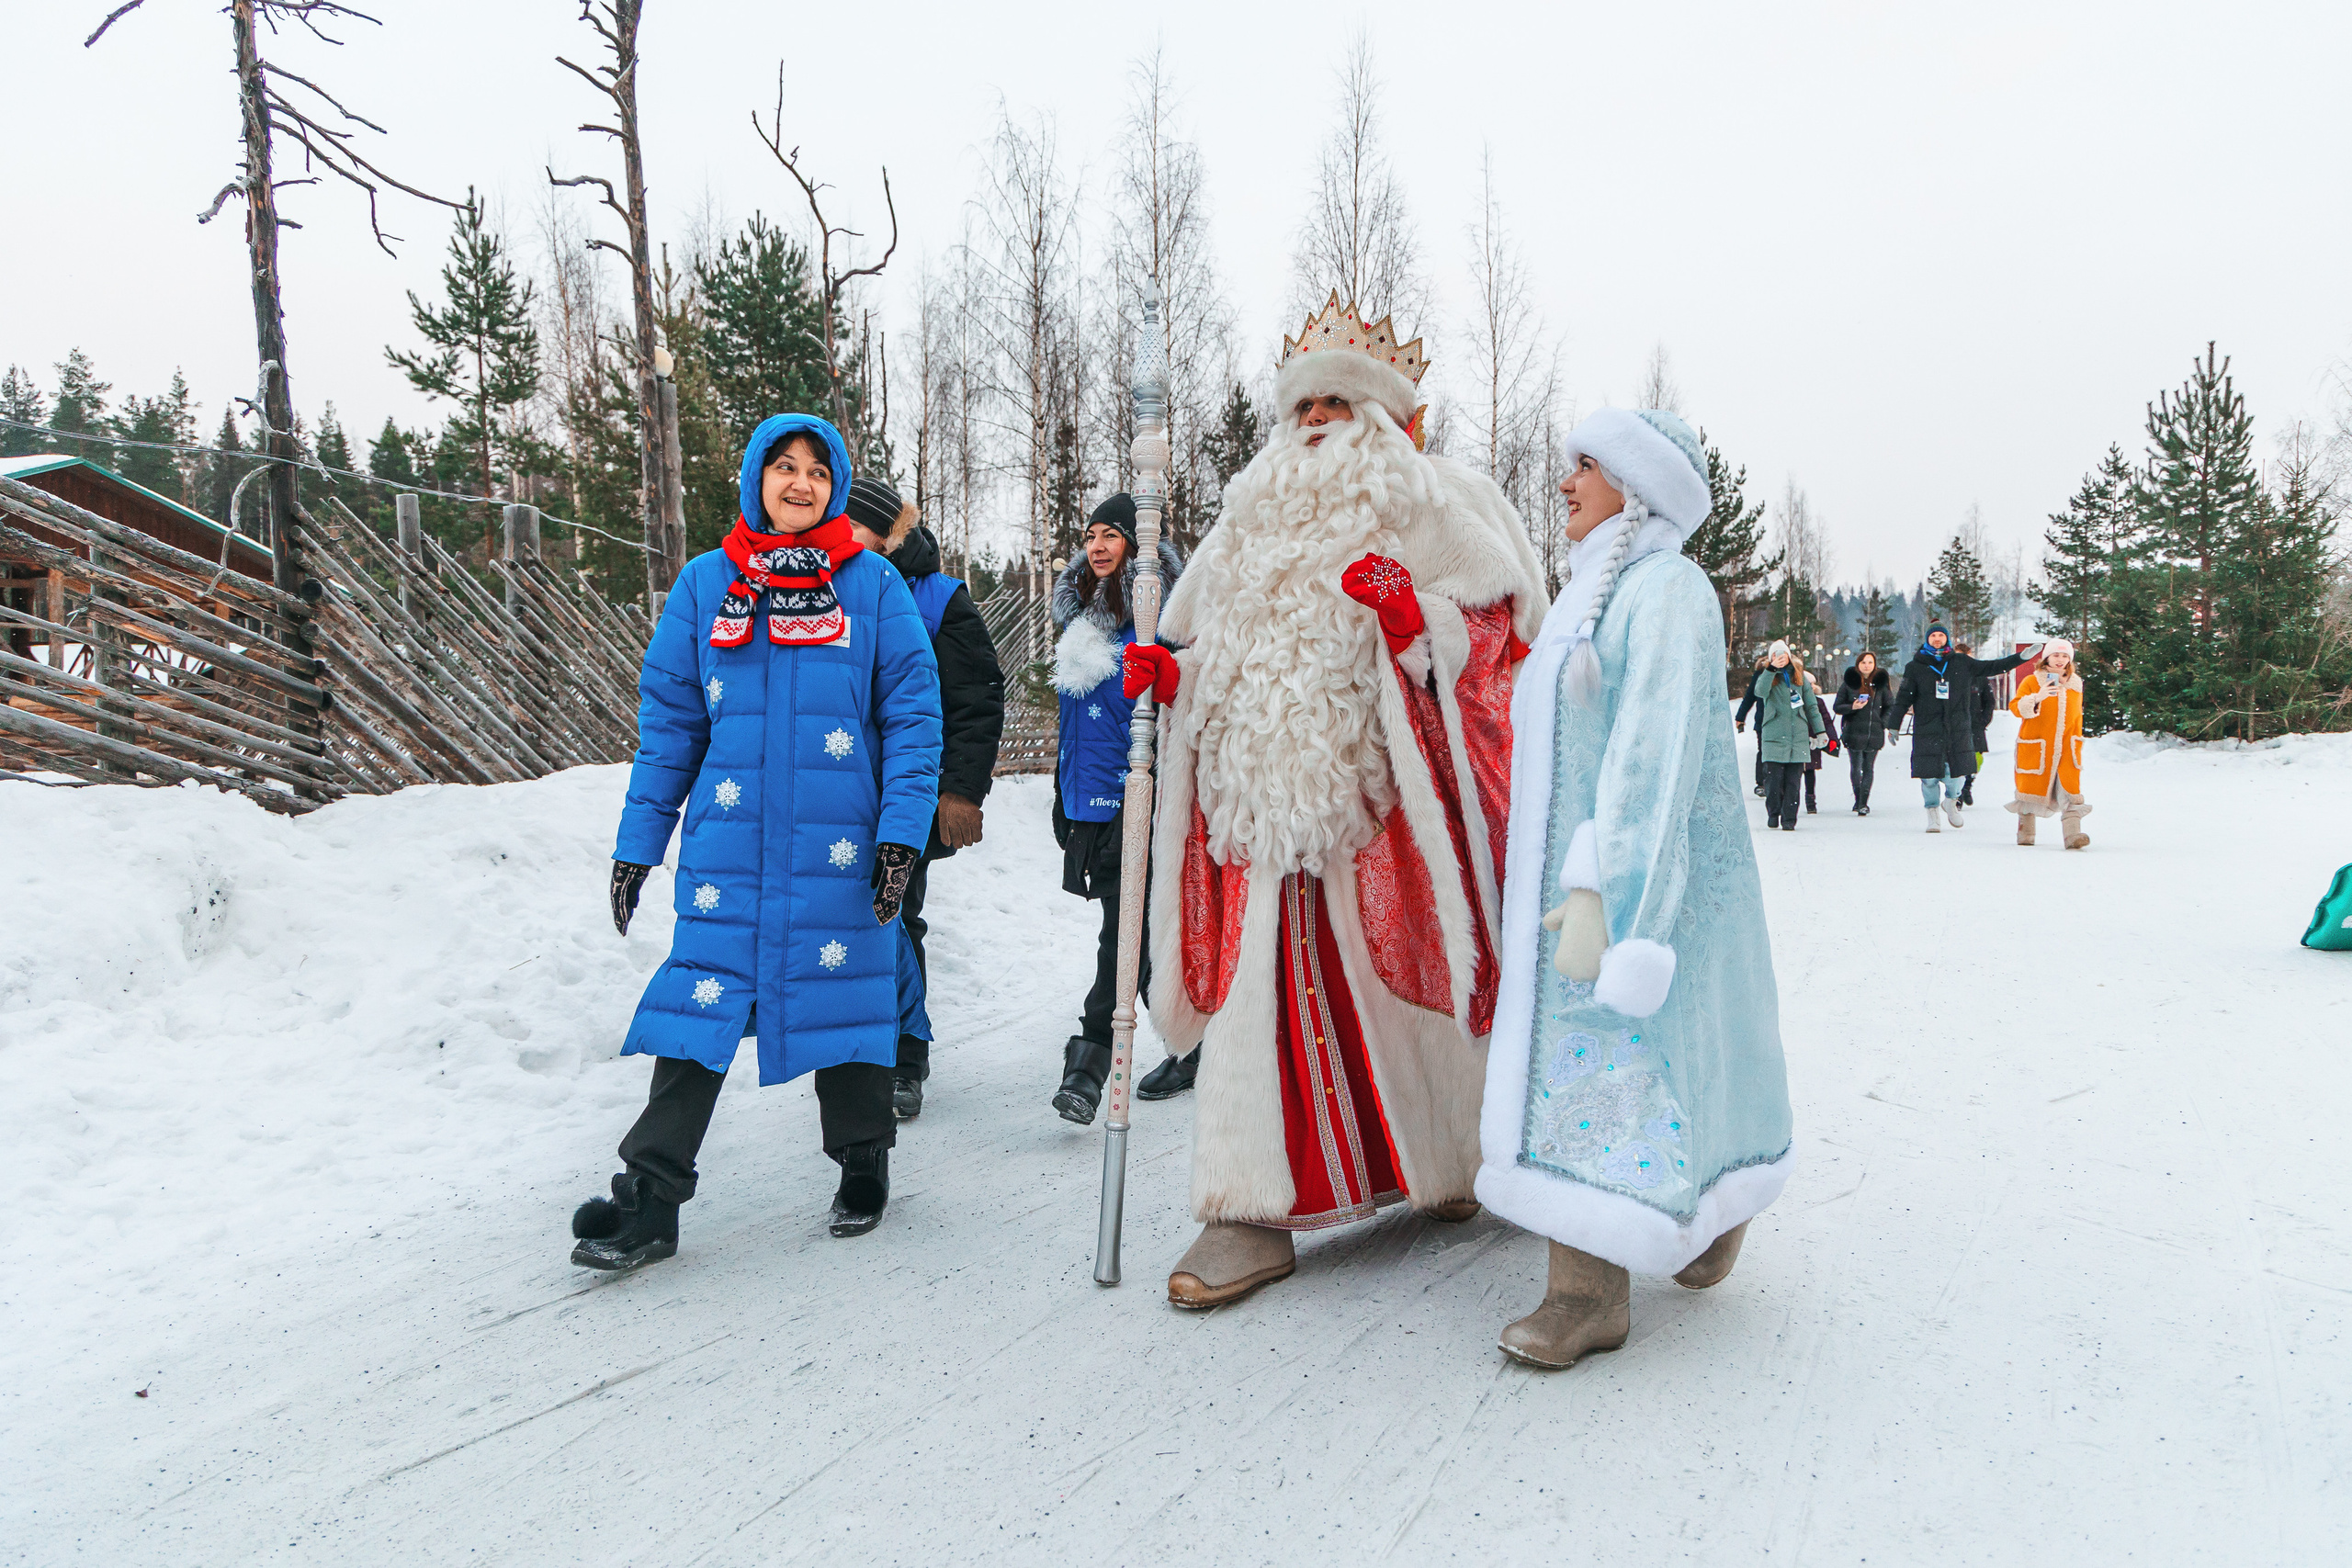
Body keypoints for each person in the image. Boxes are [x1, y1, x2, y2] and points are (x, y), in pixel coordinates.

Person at [1126, 292, 1546, 1309]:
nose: (1314, 419)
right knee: (1255, 995)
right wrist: (1175, 681)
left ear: (1385, 417)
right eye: (1301, 404)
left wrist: (1418, 627)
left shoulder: (1443, 501)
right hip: (1254, 812)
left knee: (1415, 976)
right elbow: (1206, 645)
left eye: (1338, 403)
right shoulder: (1245, 519)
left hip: (1386, 808)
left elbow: (1507, 647)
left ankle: (1444, 1161)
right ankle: (1247, 1209)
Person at [570, 413, 942, 1269]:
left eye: (818, 470)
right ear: (755, 479)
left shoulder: (874, 589)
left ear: (836, 487)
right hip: (728, 850)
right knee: (694, 1012)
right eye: (784, 467)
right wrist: (639, 844)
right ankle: (650, 1200)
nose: (801, 482)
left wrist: (900, 840)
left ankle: (862, 1161)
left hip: (838, 848)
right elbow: (669, 729)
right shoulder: (706, 588)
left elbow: (914, 721)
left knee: (843, 997)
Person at [1478, 406, 1794, 1369]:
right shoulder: (1591, 592)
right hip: (1580, 885)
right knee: (1661, 1051)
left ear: (1635, 482)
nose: (1565, 482)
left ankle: (1588, 1290)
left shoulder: (1666, 590)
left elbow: (1653, 757)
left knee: (1612, 1053)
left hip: (1634, 885)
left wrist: (1624, 899)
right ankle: (1709, 1204)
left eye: (1584, 466)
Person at [842, 476, 1005, 1122]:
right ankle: (859, 1047)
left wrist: (960, 789)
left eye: (852, 522)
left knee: (896, 917)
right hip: (841, 791)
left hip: (906, 794)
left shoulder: (937, 599)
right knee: (850, 921)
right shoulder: (830, 588)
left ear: (887, 532)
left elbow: (976, 697)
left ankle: (905, 1058)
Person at [1050, 493, 1185, 1124]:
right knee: (1141, 934)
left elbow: (1187, 706)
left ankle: (1088, 1064)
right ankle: (1197, 1041)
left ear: (1137, 543)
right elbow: (1077, 723)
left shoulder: (1160, 618)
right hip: (1092, 803)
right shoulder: (1082, 617)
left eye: (1112, 534)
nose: (1098, 545)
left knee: (1120, 932)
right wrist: (1066, 798)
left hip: (1145, 800)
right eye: (1091, 534)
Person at [1887, 623, 2036, 834]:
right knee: (1928, 776)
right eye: (1933, 636)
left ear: (1947, 639)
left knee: (1957, 773)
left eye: (1941, 635)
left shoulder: (1961, 662)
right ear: (1927, 639)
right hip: (1927, 728)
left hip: (1957, 727)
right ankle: (1932, 813)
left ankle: (1950, 801)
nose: (1937, 639)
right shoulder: (1916, 666)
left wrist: (2021, 658)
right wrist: (1893, 724)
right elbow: (1903, 698)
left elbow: (1991, 666)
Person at [2006, 637, 2091, 849]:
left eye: (2064, 656)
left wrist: (2077, 742)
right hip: (2038, 745)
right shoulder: (2032, 681)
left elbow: (2077, 717)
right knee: (2030, 790)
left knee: (2070, 791)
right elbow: (2016, 707)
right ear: (2046, 658)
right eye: (2055, 655)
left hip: (2067, 747)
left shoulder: (2075, 683)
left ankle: (2073, 836)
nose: (2060, 660)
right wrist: (2037, 697)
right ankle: (2026, 833)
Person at [1745, 640, 1824, 831]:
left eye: (1783, 655)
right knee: (1773, 782)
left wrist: (1820, 731)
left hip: (1797, 736)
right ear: (1771, 658)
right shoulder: (1767, 677)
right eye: (1775, 655)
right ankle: (1773, 813)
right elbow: (1759, 691)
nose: (1780, 658)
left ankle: (1789, 819)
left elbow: (1812, 706)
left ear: (1789, 656)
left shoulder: (1800, 678)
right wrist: (1771, 669)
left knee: (1793, 783)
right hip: (1773, 736)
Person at [1833, 650, 1892, 814]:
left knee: (1868, 768)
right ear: (1858, 664)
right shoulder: (1850, 683)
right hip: (1853, 732)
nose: (1867, 666)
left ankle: (1863, 802)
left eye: (1870, 663)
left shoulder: (1880, 684)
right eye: (1863, 662)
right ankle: (1859, 799)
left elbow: (1890, 706)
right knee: (1855, 766)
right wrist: (1852, 707)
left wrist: (1882, 722)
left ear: (1875, 665)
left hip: (1874, 733)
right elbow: (1837, 706)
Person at [1954, 641, 1996, 807]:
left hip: (1975, 724)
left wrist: (1984, 720)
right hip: (1955, 725)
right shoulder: (1948, 676)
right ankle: (1956, 794)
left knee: (1977, 758)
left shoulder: (1979, 677)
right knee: (1955, 759)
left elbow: (1989, 701)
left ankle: (1967, 785)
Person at [1799, 660, 1837, 815]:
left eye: (1813, 684)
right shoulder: (1794, 701)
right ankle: (1790, 798)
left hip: (1813, 740)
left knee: (1809, 771)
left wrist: (1832, 739)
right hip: (1798, 739)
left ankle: (1810, 799)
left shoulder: (1818, 702)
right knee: (1794, 772)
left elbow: (1826, 721)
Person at [1732, 653, 1770, 796]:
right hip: (1763, 721)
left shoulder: (1784, 673)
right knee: (1763, 751)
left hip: (1779, 720)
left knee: (1770, 752)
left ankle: (1772, 782)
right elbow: (1750, 696)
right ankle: (1762, 783)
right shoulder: (1760, 674)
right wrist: (1740, 717)